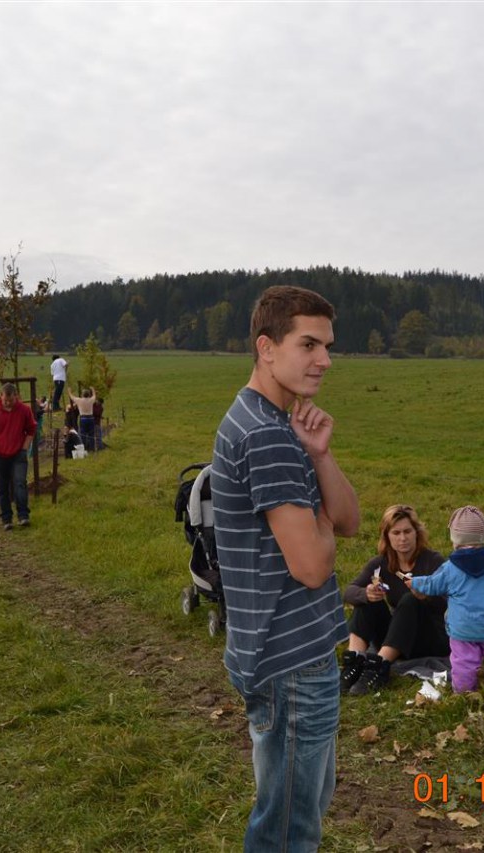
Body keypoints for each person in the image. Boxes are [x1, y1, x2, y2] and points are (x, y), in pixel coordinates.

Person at [212, 285, 359, 852]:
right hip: (290, 662)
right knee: (288, 831)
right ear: (266, 347)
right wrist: (320, 523)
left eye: (328, 346)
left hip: (286, 652)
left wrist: (320, 454)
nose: (325, 360)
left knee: (298, 812)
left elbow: (348, 522)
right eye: (309, 344)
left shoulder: (279, 424)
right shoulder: (267, 436)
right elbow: (315, 566)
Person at [410, 506, 484, 693]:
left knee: (464, 660)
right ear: (483, 536)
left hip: (463, 629)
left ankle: (464, 692)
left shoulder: (450, 568)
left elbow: (432, 584)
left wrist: (414, 582)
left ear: (455, 539)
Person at [341, 505, 450, 696]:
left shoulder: (433, 561)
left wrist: (427, 597)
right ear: (387, 536)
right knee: (367, 601)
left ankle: (379, 668)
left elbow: (451, 599)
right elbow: (349, 592)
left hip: (431, 637)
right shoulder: (380, 563)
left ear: (417, 533)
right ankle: (354, 663)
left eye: (407, 531)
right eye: (396, 533)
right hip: (399, 636)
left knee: (410, 600)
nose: (403, 538)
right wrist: (366, 593)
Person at [0, 382, 37, 531]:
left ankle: (23, 515)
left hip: (18, 454)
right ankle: (6, 518)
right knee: (2, 488)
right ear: (1, 396)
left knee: (20, 483)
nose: (8, 403)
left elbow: (31, 429)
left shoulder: (24, 410)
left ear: (16, 396)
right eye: (5, 400)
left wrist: (24, 448)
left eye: (11, 400)